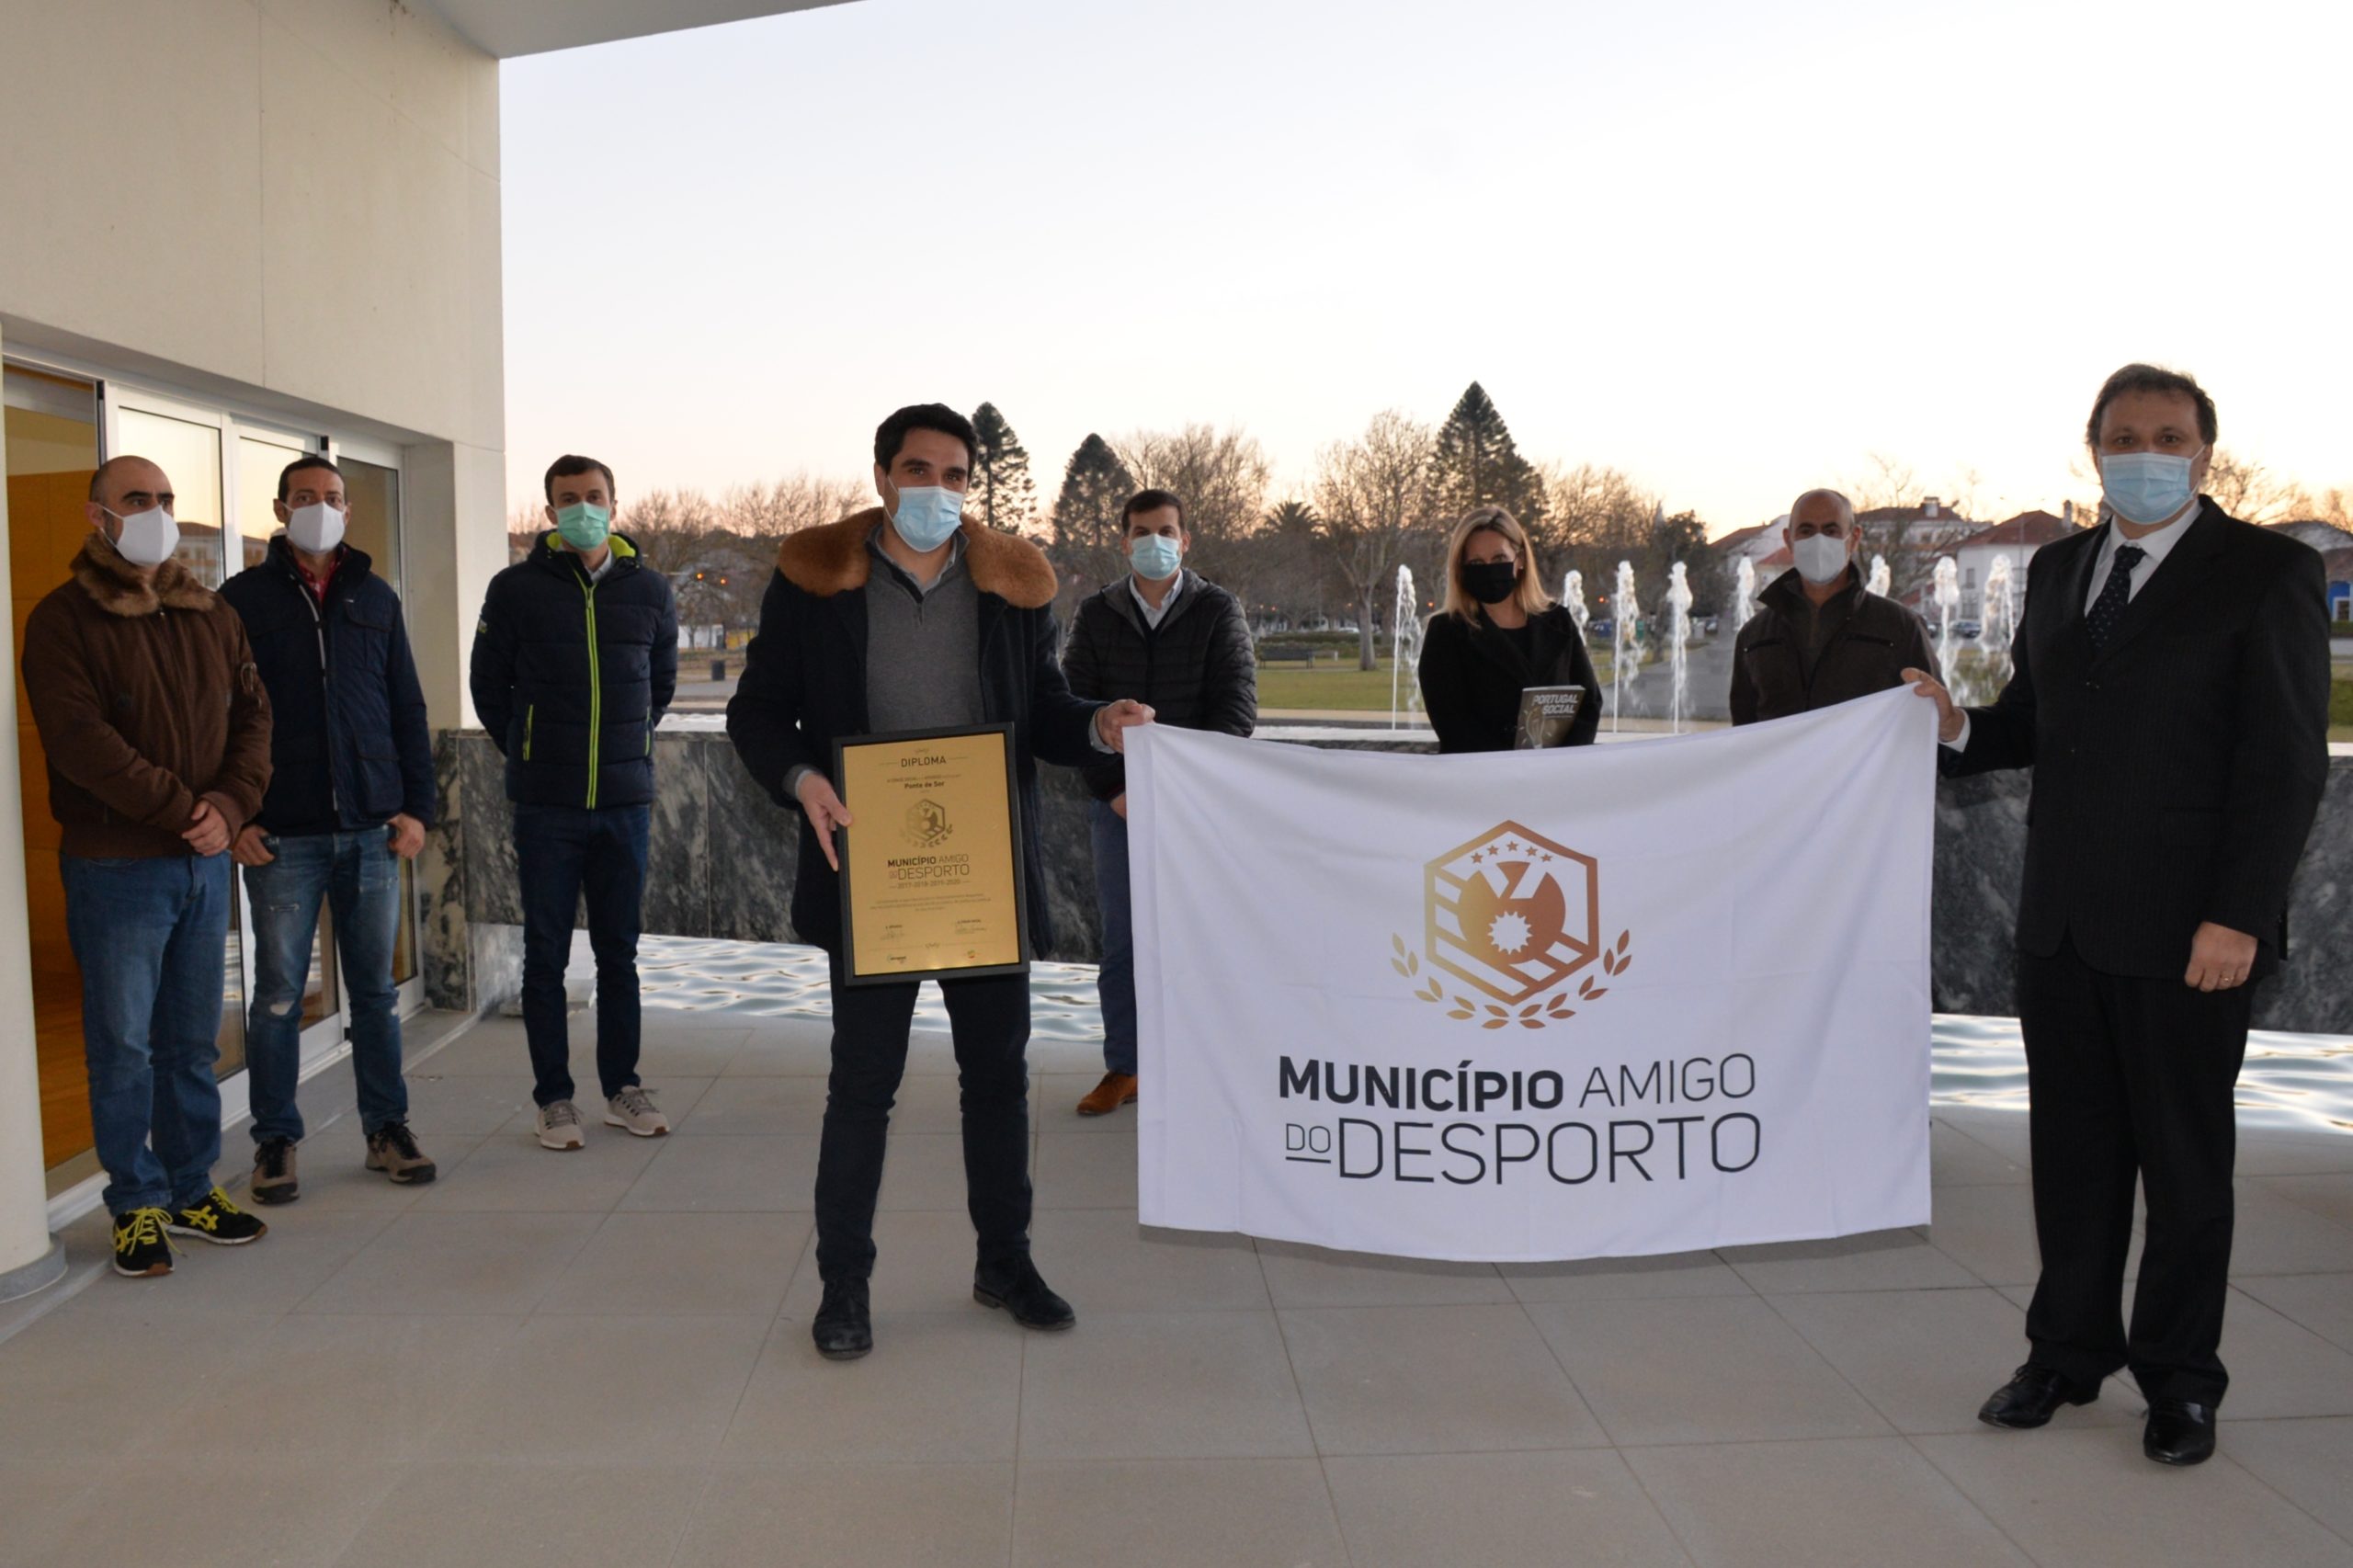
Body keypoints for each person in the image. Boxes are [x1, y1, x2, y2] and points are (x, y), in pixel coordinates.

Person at [1907, 364, 2330, 1466]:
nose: (2146, 449)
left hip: (2193, 932)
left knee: (2185, 1170)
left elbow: (2282, 764)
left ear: (2204, 452)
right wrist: (1956, 728)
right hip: (2061, 926)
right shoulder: (2056, 570)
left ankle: (2182, 1380)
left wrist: (2237, 913)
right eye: (2124, 434)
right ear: (2091, 448)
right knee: (2073, 1158)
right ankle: (2063, 1353)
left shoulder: (2265, 572)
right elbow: (2036, 721)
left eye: (2169, 434)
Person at [726, 403, 1152, 1360]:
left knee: (995, 1080)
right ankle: (844, 1284)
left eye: (957, 475)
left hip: (981, 876)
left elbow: (1042, 710)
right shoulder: (814, 578)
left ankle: (1005, 1261)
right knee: (862, 1087)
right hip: (867, 876)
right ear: (881, 476)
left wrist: (1097, 723)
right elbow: (757, 712)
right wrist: (803, 781)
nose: (938, 491)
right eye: (919, 471)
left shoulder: (1014, 582)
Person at [21, 456, 274, 1277]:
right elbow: (81, 742)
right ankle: (134, 1203)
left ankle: (192, 1185)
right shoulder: (63, 620)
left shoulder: (209, 613)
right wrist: (185, 811)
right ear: (98, 518)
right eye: (139, 500)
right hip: (118, 868)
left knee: (190, 1041)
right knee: (123, 1044)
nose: (158, 512)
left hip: (202, 866)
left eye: (167, 499)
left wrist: (229, 808)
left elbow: (254, 720)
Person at [219, 456, 438, 1200]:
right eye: (306, 497)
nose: (321, 506)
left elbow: (406, 704)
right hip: (281, 834)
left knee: (374, 991)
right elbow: (216, 717)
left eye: (333, 497)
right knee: (280, 994)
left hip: (373, 829)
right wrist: (238, 813)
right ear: (280, 510)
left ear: (348, 511)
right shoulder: (240, 599)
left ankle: (387, 1129)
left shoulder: (375, 596)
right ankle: (275, 1141)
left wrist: (418, 809)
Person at [470, 455, 679, 1152]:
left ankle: (623, 1088)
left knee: (620, 954)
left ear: (615, 506)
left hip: (625, 803)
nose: (582, 506)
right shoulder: (515, 589)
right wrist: (528, 750)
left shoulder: (650, 589)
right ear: (550, 510)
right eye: (569, 498)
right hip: (547, 806)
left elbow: (661, 685)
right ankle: (554, 1099)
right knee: (545, 958)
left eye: (594, 495)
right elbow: (489, 686)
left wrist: (625, 748)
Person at [1060, 487, 1256, 1118]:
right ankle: (1126, 1066)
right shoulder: (1096, 614)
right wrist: (1116, 792)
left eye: (1166, 530)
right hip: (1117, 809)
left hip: (1197, 811)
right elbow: (1073, 713)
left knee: (1201, 938)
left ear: (1185, 539)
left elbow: (1237, 711)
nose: (1154, 541)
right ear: (1124, 541)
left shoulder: (1217, 609)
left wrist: (1178, 789)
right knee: (1122, 943)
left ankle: (1204, 1066)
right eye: (1142, 531)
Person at [1730, 488, 1938, 723]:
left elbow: (1930, 723)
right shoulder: (1754, 636)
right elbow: (1742, 732)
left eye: (1831, 530)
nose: (1819, 540)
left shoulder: (1901, 627)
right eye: (1806, 530)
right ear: (1789, 540)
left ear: (1855, 538)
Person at [1416, 506, 1601, 752]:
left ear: (1520, 559)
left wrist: (1560, 761)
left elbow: (1589, 702)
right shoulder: (1447, 631)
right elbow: (1450, 720)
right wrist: (1513, 767)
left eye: (1499, 558)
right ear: (1462, 568)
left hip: (1556, 776)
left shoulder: (1558, 621)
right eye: (1476, 562)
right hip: (1482, 778)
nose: (1489, 568)